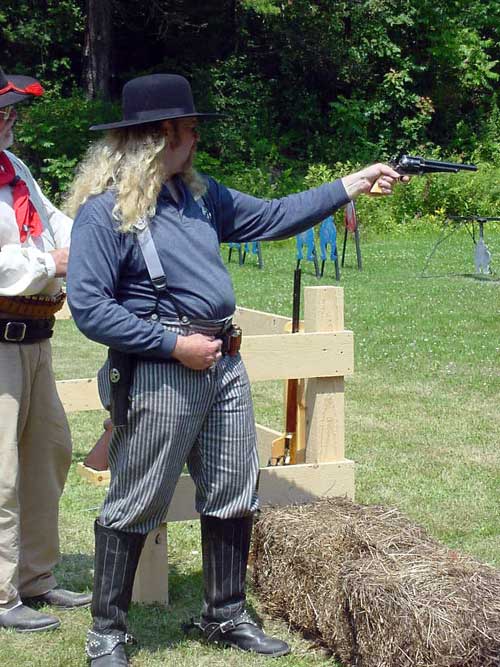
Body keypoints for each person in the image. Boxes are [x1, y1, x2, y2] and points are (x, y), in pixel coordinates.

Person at [65, 73, 404, 666]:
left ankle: (223, 615)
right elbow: (91, 309)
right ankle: (108, 635)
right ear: (161, 135)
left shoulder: (198, 196)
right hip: (160, 372)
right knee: (135, 499)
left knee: (231, 489)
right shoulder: (103, 215)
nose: (198, 140)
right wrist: (172, 346)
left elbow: (274, 216)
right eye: (191, 129)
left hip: (222, 364)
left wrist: (352, 183)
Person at [0, 67, 92, 633]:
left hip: (36, 337)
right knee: (1, 473)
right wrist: (48, 266)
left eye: (11, 112)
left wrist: (93, 235)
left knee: (50, 452)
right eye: (1, 111)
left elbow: (55, 224)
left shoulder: (14, 168)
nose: (9, 120)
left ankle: (36, 576)